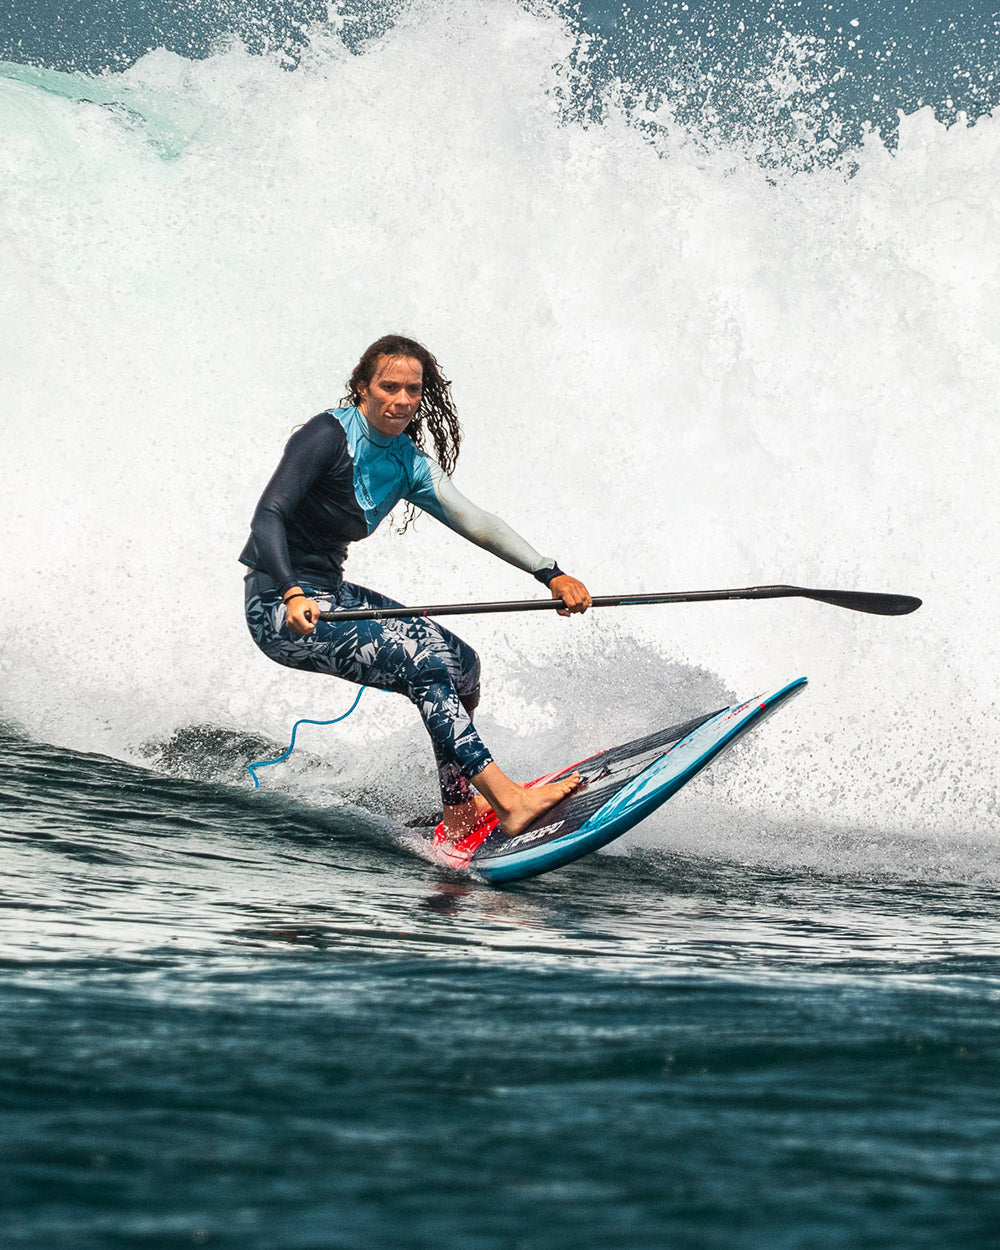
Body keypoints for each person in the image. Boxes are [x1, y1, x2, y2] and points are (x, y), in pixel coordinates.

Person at [241, 334, 592, 840]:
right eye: (389, 386)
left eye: (413, 389)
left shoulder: (407, 462)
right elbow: (267, 516)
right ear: (362, 387)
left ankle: (459, 808)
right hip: (277, 605)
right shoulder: (326, 435)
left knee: (462, 664)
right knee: (420, 664)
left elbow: (475, 520)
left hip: (331, 597)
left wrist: (550, 572)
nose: (402, 400)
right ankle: (507, 799)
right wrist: (293, 591)